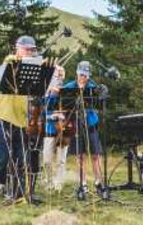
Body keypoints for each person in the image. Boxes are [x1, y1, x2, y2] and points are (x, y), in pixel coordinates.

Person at [0, 35, 44, 206]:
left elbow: (38, 93)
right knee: (1, 160)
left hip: (21, 122)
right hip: (4, 119)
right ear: (17, 48)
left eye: (32, 50)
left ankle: (19, 196)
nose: (30, 52)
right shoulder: (6, 65)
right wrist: (14, 60)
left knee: (21, 161)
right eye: (26, 49)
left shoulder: (31, 71)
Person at [66, 61, 107, 198]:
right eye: (81, 74)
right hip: (77, 125)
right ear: (77, 72)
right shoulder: (69, 87)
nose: (83, 77)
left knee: (96, 155)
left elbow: (101, 100)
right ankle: (82, 184)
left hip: (90, 124)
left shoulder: (93, 87)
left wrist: (101, 94)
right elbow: (60, 101)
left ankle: (99, 182)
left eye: (86, 75)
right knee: (80, 156)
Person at [40, 80, 68, 191]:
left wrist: (63, 116)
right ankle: (50, 181)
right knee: (47, 160)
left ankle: (58, 183)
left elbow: (72, 112)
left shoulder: (67, 97)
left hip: (63, 132)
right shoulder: (46, 98)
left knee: (61, 160)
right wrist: (52, 116)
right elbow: (42, 116)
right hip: (49, 131)